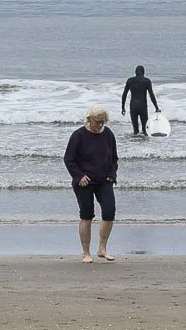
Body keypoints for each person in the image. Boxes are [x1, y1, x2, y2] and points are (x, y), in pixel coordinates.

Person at [65, 106, 118, 262]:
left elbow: (114, 158)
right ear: (89, 119)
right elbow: (69, 159)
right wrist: (79, 176)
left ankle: (102, 249)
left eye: (103, 122)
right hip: (84, 182)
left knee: (109, 211)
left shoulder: (108, 134)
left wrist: (112, 174)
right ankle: (86, 253)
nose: (100, 125)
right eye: (97, 122)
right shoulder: (78, 135)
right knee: (86, 215)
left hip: (104, 180)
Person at [121, 67, 159, 139]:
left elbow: (124, 94)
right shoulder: (146, 81)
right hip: (143, 106)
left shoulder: (130, 80)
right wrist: (156, 107)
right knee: (145, 130)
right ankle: (143, 146)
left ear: (135, 72)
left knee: (135, 131)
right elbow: (151, 95)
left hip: (133, 106)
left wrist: (123, 107)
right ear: (143, 72)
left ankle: (135, 145)